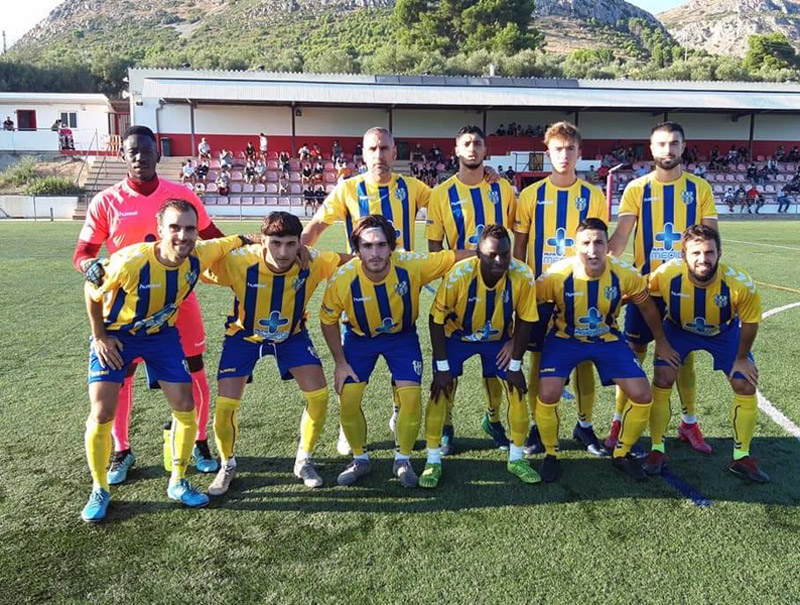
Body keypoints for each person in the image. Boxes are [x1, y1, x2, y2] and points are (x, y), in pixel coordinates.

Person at [73, 125, 228, 485]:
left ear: (158, 154)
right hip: (123, 310)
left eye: (146, 151)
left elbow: (213, 237)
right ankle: (122, 449)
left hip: (178, 304)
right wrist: (88, 266)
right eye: (132, 152)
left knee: (195, 374)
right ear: (123, 156)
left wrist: (253, 255)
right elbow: (83, 253)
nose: (140, 157)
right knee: (120, 380)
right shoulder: (106, 201)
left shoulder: (181, 194)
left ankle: (200, 442)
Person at [80, 199, 250, 522]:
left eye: (189, 228)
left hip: (161, 335)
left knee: (186, 406)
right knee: (102, 411)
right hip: (118, 335)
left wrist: (249, 239)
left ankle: (178, 480)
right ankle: (99, 488)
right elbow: (91, 289)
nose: (183, 236)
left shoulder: (199, 254)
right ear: (159, 231)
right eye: (174, 228)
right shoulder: (129, 262)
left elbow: (232, 241)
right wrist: (100, 336)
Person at [201, 212, 349, 495]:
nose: (282, 252)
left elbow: (349, 261)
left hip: (291, 336)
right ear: (263, 241)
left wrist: (394, 256)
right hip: (243, 336)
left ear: (299, 244)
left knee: (318, 396)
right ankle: (227, 464)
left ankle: (303, 459)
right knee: (225, 406)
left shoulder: (312, 261)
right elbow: (198, 263)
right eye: (275, 243)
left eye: (290, 244)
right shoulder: (239, 261)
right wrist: (238, 240)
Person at [319, 215, 470, 488]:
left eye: (381, 244)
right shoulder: (342, 279)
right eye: (367, 246)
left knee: (411, 399)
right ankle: (359, 459)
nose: (374, 252)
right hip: (359, 339)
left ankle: (403, 460)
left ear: (392, 246)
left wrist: (489, 254)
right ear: (357, 249)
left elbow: (453, 256)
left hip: (402, 338)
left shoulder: (411, 265)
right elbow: (327, 320)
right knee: (349, 397)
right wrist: (340, 361)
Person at [533, 218, 680, 482]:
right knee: (548, 392)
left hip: (607, 338)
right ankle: (552, 454)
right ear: (575, 247)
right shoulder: (556, 275)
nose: (592, 250)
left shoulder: (624, 273)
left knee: (642, 394)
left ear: (607, 245)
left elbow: (647, 307)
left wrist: (663, 341)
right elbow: (531, 307)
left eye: (599, 242)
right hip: (565, 338)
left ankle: (621, 453)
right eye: (586, 243)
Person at [607, 122, 718, 454]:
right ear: (651, 149)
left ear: (683, 148)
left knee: (683, 359)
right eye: (661, 144)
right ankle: (618, 420)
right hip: (646, 293)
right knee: (633, 357)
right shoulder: (636, 189)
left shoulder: (700, 189)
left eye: (674, 144)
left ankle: (689, 423)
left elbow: (712, 240)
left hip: (686, 292)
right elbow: (620, 241)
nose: (668, 150)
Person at [513, 121, 608, 457]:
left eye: (570, 149)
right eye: (558, 149)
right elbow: (519, 249)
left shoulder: (593, 196)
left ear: (579, 154)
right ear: (547, 153)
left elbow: (599, 247)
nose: (564, 155)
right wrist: (521, 291)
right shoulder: (530, 195)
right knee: (538, 362)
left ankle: (584, 426)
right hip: (540, 295)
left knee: (583, 361)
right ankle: (539, 428)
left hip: (582, 292)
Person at [644, 225, 768, 482]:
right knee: (663, 377)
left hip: (723, 333)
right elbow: (642, 297)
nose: (703, 259)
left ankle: (741, 456)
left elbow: (751, 322)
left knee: (744, 383)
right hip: (678, 330)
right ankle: (656, 449)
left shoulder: (739, 283)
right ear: (684, 255)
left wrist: (742, 358)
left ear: (719, 253)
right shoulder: (666, 274)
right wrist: (661, 341)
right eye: (696, 252)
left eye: (709, 252)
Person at [422, 225, 540, 488]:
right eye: (491, 255)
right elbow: (435, 320)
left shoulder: (522, 274)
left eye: (505, 254)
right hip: (457, 337)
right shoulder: (459, 275)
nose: (499, 261)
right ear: (478, 254)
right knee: (440, 388)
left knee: (517, 388)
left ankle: (517, 458)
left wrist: (516, 360)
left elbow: (526, 318)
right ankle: (432, 460)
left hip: (497, 339)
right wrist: (442, 367)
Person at [426, 125, 517, 454]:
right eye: (466, 142)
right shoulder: (441, 193)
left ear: (485, 149)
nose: (473, 148)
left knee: (495, 363)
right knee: (451, 365)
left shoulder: (502, 187)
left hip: (499, 287)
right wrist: (447, 281)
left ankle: (492, 420)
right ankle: (447, 424)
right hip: (460, 292)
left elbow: (513, 233)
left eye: (478, 142)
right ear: (456, 148)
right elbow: (435, 245)